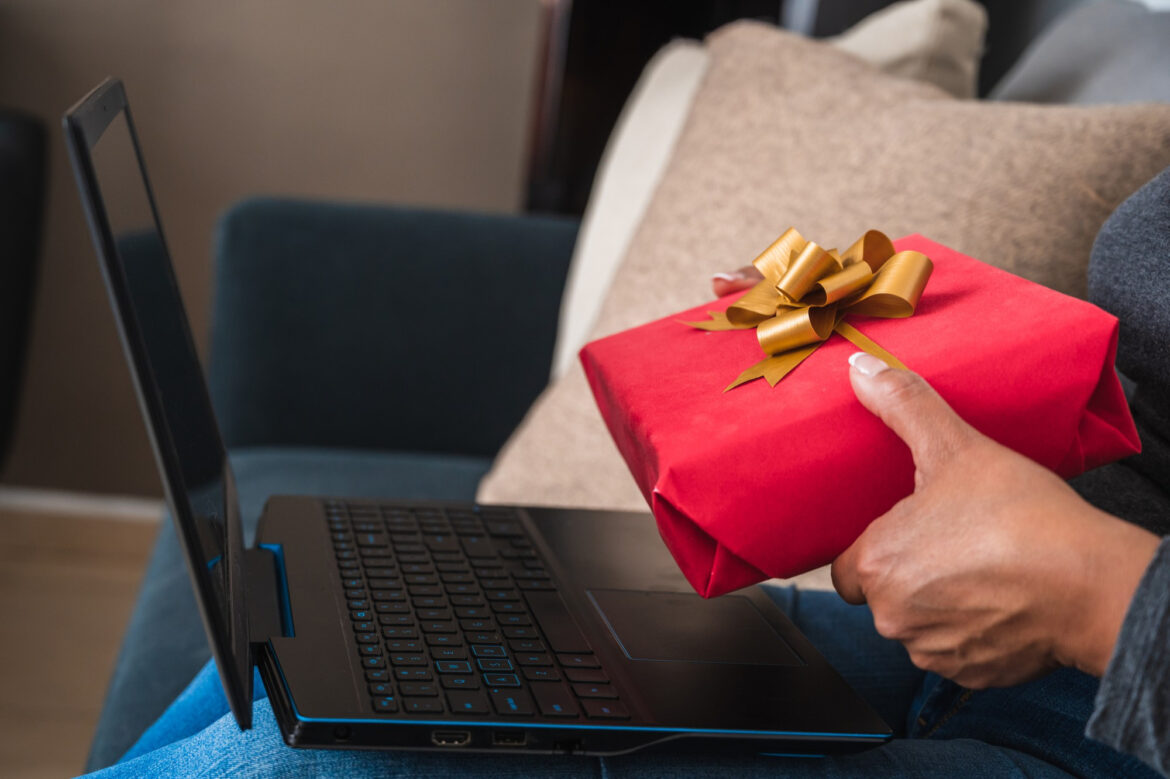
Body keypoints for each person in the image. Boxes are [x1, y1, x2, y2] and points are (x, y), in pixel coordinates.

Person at [84, 172, 1170, 777]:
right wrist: (911, 349)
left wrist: (1096, 597)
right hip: (987, 646)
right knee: (297, 624)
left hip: (1111, 694)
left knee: (316, 760)